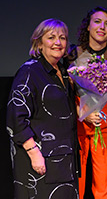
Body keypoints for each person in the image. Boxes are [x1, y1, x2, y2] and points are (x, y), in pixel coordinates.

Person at [6, 18, 79, 198]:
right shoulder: (30, 71)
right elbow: (16, 117)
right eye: (51, 37)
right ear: (39, 42)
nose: (58, 42)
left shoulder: (62, 72)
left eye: (62, 38)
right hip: (40, 163)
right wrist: (33, 152)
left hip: (63, 161)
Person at [65, 6, 107, 199]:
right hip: (79, 123)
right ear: (88, 26)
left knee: (104, 183)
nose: (102, 27)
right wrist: (82, 113)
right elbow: (62, 93)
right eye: (97, 22)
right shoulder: (72, 54)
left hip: (105, 124)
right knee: (75, 179)